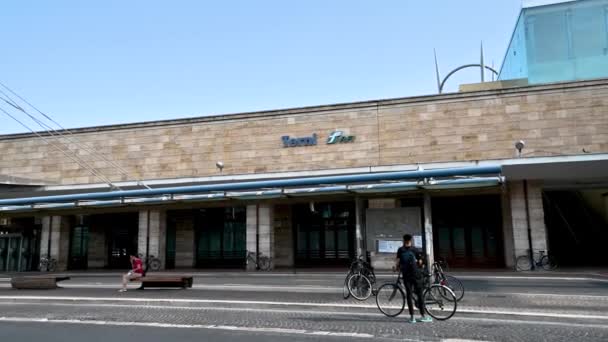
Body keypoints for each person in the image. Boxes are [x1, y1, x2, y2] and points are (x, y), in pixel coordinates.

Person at [394, 234, 432, 323]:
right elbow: (420, 262)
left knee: (409, 295)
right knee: (420, 295)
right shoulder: (415, 249)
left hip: (406, 275)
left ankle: (412, 317)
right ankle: (423, 316)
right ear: (411, 240)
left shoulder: (400, 250)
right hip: (416, 275)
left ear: (403, 240)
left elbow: (397, 263)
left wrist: (396, 268)